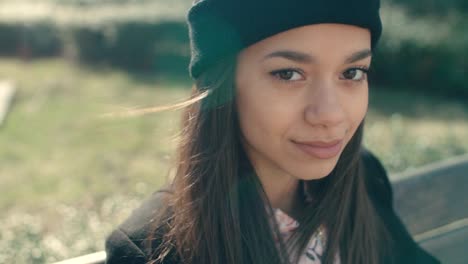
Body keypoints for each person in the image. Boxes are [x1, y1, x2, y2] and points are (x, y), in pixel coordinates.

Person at [105, 0, 440, 263]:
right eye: (289, 74)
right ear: (223, 85)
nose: (330, 115)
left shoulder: (363, 178)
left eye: (352, 72)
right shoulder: (153, 248)